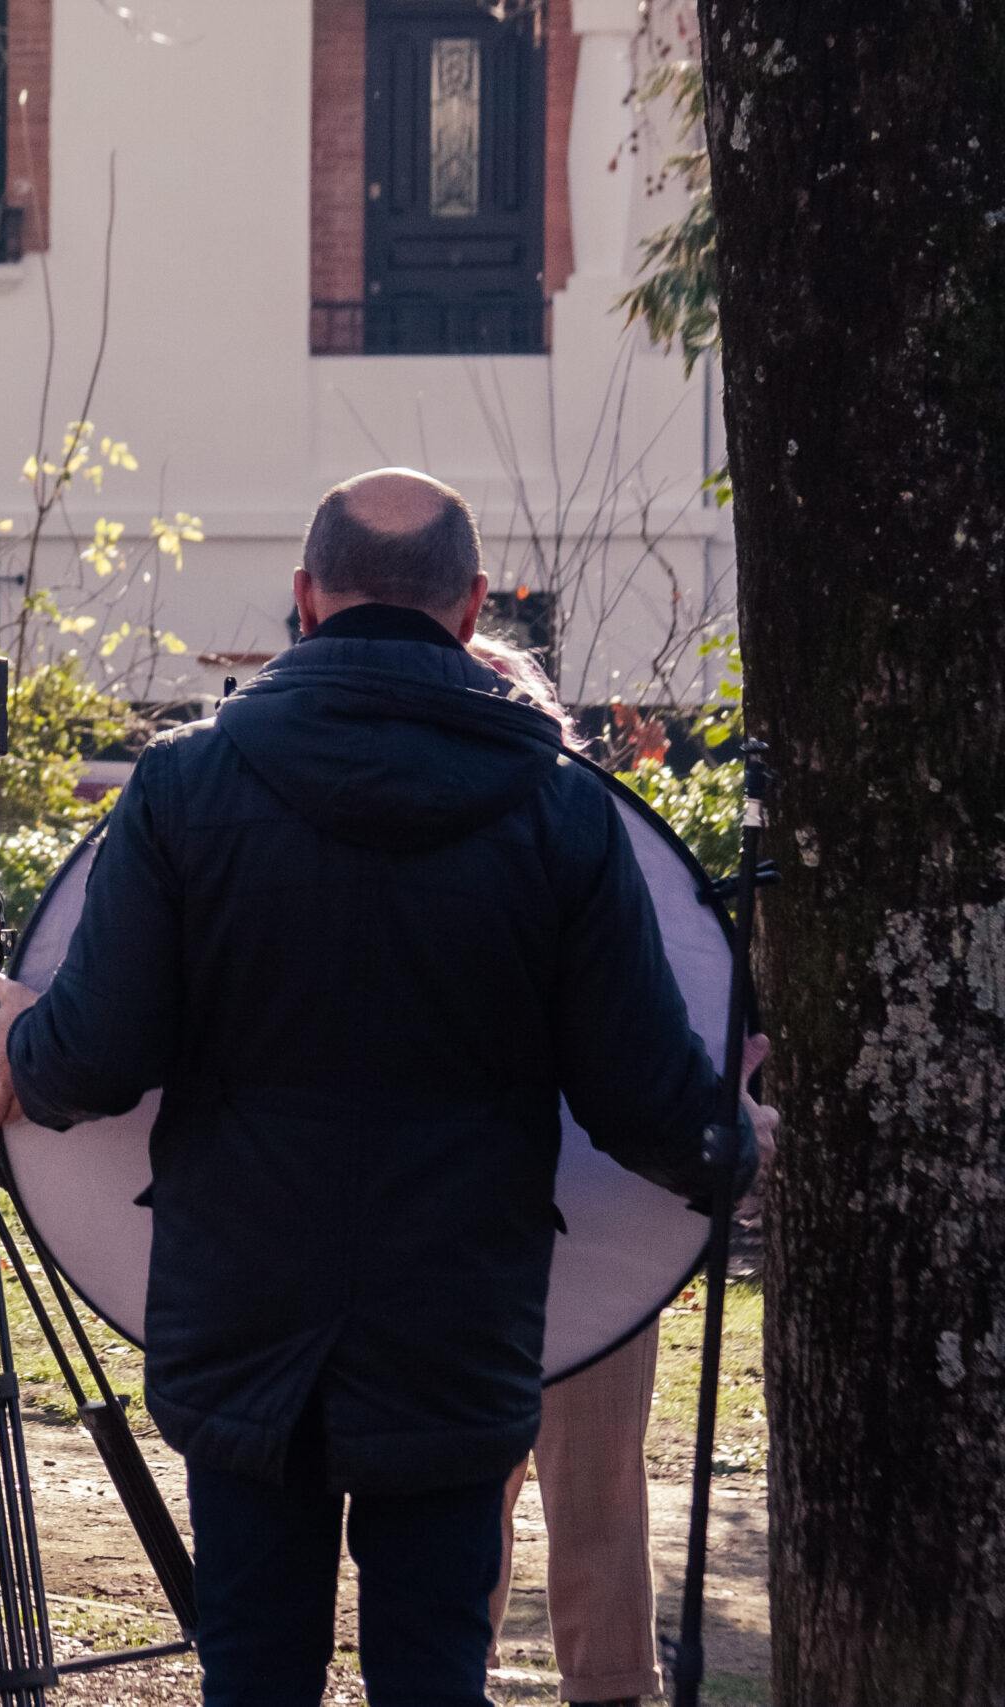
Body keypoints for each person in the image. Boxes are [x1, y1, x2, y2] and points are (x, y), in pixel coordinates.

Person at [0, 466, 777, 1707]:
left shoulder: (184, 788)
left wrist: (23, 1043)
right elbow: (645, 1103)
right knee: (432, 1676)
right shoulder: (560, 813)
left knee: (253, 1673)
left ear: (304, 597)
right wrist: (740, 1145)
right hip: (456, 1321)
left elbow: (94, 1060)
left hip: (240, 1316)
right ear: (473, 609)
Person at [469, 635, 667, 1707]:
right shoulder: (572, 832)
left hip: (588, 1219)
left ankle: (602, 1688)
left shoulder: (590, 837)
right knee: (485, 1492)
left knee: (578, 1488)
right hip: (539, 1214)